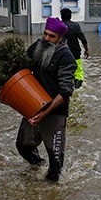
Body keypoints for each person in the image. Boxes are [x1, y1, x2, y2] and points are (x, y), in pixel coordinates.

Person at [16, 17, 77, 182]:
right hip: (33, 105)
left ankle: (52, 194)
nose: (46, 38)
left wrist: (44, 114)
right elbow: (21, 67)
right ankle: (38, 167)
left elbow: (65, 92)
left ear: (60, 39)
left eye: (52, 36)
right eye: (45, 34)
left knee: (56, 164)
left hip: (55, 111)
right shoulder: (37, 46)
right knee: (23, 146)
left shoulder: (66, 57)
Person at [60, 8, 89, 88]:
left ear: (61, 16)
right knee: (78, 73)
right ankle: (77, 88)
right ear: (70, 16)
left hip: (61, 54)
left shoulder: (59, 26)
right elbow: (82, 38)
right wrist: (86, 50)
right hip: (75, 53)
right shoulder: (75, 25)